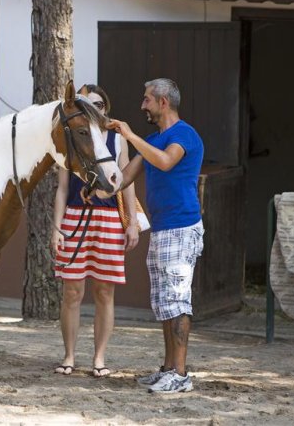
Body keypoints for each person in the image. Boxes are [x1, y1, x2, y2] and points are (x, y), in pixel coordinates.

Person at [106, 78, 204, 394]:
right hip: (163, 229)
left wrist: (130, 135)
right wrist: (100, 190)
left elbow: (164, 161)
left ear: (163, 102)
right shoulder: (154, 138)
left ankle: (181, 374)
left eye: (147, 99)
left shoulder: (183, 135)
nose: (142, 105)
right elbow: (125, 177)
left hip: (181, 227)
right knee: (165, 303)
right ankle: (167, 369)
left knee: (177, 299)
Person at [52, 84, 142, 378]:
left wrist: (131, 223)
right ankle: (69, 356)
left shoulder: (117, 141)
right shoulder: (72, 137)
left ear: (106, 107)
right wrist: (56, 227)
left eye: (99, 104)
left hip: (108, 220)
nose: (94, 108)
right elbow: (62, 188)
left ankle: (100, 358)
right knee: (72, 291)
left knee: (104, 292)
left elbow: (126, 182)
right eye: (87, 103)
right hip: (75, 218)